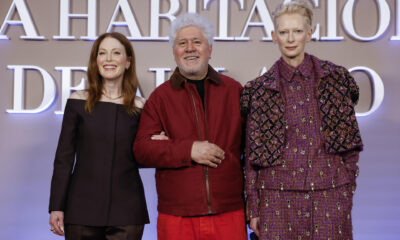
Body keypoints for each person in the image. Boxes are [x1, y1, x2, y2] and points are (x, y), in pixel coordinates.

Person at [241, 1, 363, 239]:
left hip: (329, 193)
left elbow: (350, 147)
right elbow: (251, 158)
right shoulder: (259, 89)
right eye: (284, 32)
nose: (290, 38)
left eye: (297, 31)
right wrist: (253, 207)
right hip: (276, 197)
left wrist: (346, 189)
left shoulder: (335, 80)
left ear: (309, 33)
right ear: (274, 36)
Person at [133, 13, 247, 240]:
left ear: (210, 49)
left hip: (229, 212)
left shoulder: (235, 91)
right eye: (182, 43)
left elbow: (253, 152)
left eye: (197, 41)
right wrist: (188, 150)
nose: (190, 48)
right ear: (174, 51)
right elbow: (142, 150)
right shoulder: (160, 98)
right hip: (177, 216)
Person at [49, 32, 149, 240]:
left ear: (128, 61)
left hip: (128, 210)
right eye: (102, 53)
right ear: (96, 61)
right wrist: (56, 206)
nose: (109, 59)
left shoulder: (142, 106)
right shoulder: (78, 101)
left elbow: (146, 154)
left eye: (116, 53)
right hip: (81, 208)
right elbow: (64, 159)